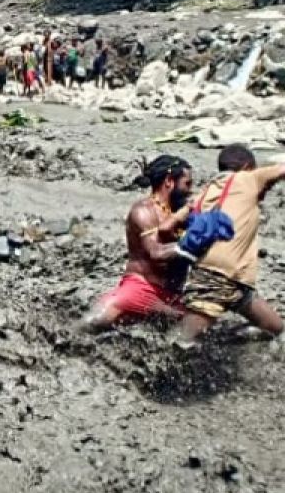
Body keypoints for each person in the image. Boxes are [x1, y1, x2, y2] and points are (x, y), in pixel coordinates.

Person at [176, 145, 285, 345]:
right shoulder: (248, 178)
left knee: (275, 329)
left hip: (237, 282)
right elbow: (281, 169)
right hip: (215, 278)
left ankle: (219, 343)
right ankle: (145, 370)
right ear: (247, 166)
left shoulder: (206, 192)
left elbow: (170, 225)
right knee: (183, 343)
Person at [83, 156, 193, 331]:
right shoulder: (143, 211)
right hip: (142, 288)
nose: (190, 191)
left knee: (204, 329)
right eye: (187, 184)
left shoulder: (181, 214)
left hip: (174, 296)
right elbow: (156, 253)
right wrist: (192, 245)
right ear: (169, 181)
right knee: (94, 321)